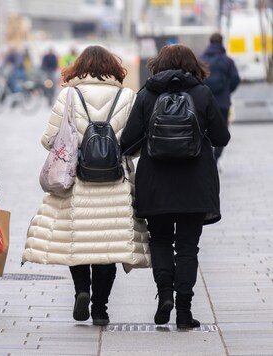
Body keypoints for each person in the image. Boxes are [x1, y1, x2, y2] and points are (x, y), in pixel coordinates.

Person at [22, 46, 150, 326]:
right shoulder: (126, 96)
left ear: (78, 67)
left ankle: (82, 290)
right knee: (107, 249)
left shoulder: (68, 95)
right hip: (115, 185)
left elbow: (48, 139)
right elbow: (134, 144)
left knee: (78, 243)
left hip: (76, 182)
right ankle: (100, 308)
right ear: (114, 68)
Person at [120, 44, 231, 329]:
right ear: (193, 64)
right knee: (187, 248)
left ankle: (165, 296)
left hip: (155, 182)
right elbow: (221, 137)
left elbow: (128, 142)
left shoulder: (146, 94)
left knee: (159, 241)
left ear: (159, 64)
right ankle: (184, 311)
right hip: (195, 183)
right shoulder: (203, 93)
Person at [200, 33, 240, 163]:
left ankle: (205, 158)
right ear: (222, 42)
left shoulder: (201, 59)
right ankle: (215, 158)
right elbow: (235, 79)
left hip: (204, 101)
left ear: (209, 42)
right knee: (222, 132)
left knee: (203, 130)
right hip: (222, 102)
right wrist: (227, 91)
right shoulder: (228, 60)